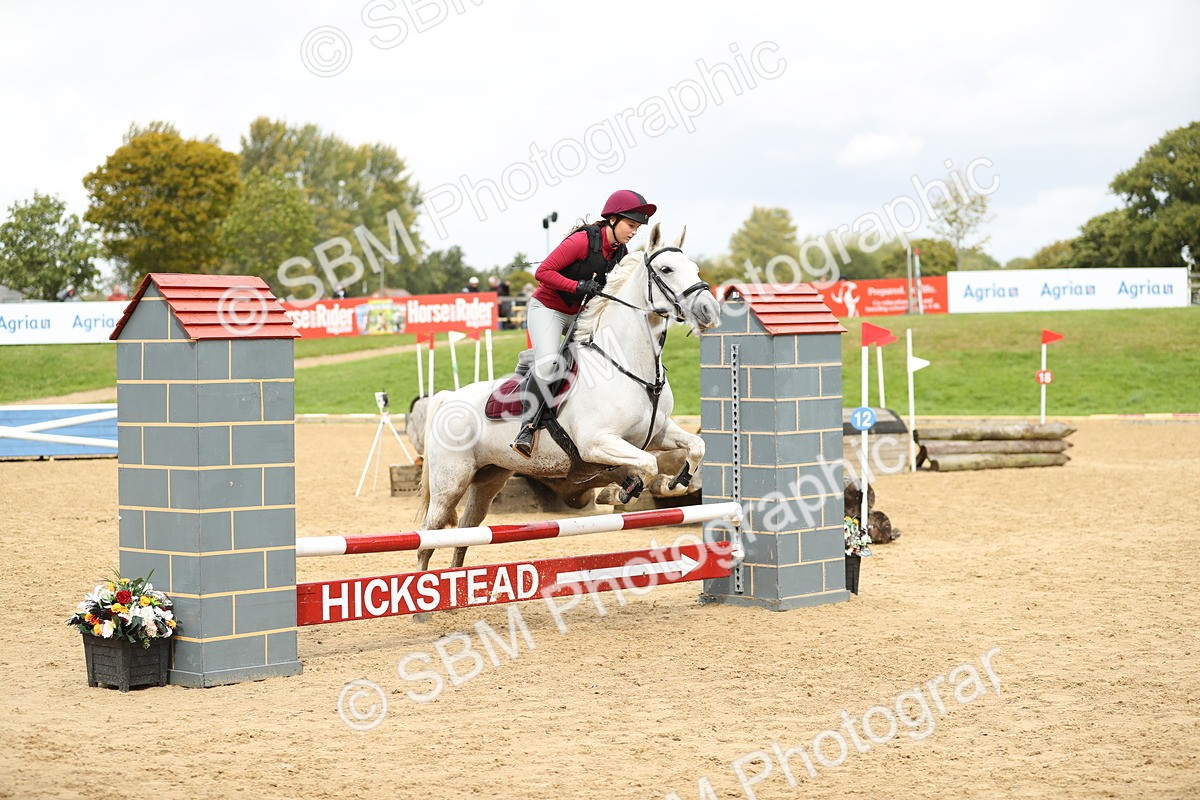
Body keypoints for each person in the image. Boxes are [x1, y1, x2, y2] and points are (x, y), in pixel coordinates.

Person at [511, 189, 655, 458]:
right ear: (612, 220)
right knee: (550, 364)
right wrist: (578, 286)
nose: (634, 232)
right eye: (631, 225)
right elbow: (542, 273)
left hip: (579, 313)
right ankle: (527, 428)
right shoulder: (581, 241)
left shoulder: (620, 252)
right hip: (549, 308)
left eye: (637, 227)